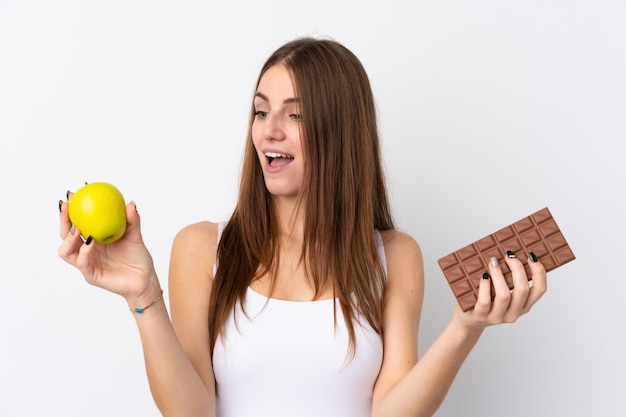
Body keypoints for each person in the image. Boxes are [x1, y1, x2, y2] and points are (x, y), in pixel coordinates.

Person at [58, 37, 547, 417]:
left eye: (295, 114)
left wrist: (467, 326)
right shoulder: (203, 246)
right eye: (260, 110)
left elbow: (393, 410)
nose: (269, 129)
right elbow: (191, 411)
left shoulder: (394, 254)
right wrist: (142, 294)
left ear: (340, 131)